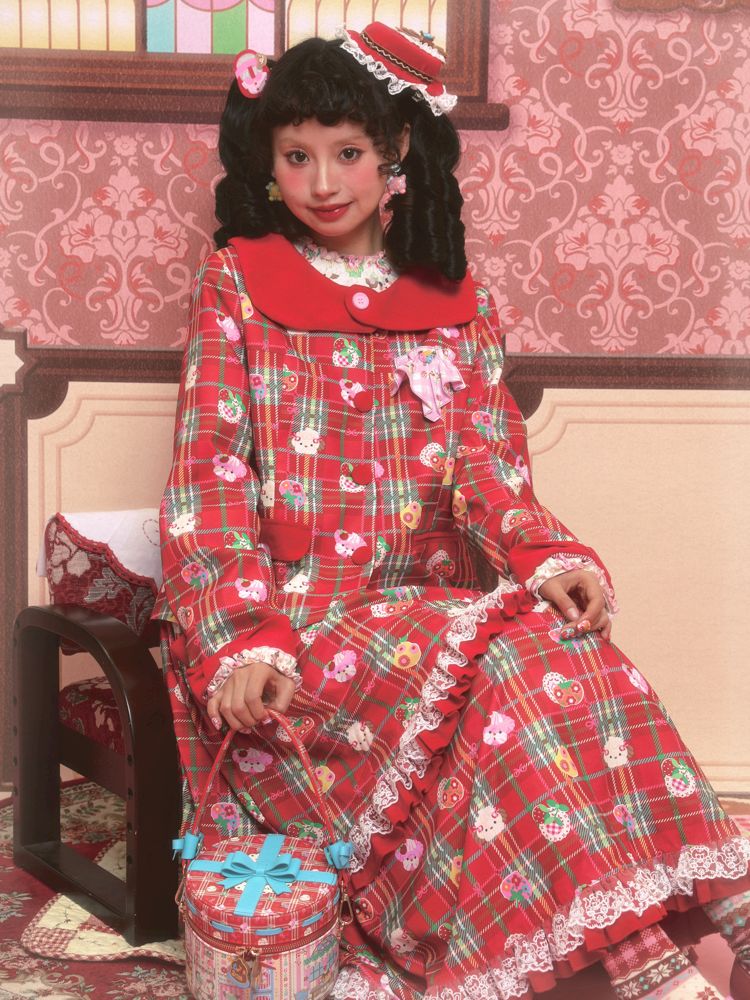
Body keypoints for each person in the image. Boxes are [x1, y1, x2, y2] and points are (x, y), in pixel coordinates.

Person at [156, 22, 750, 1000]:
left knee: (566, 651)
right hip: (298, 630)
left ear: (395, 151)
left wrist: (548, 556)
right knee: (517, 670)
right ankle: (654, 972)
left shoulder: (453, 296)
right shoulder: (239, 285)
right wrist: (241, 635)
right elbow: (207, 478)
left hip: (439, 621)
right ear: (267, 162)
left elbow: (489, 469)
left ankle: (719, 932)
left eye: (348, 152)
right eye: (296, 156)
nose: (323, 181)